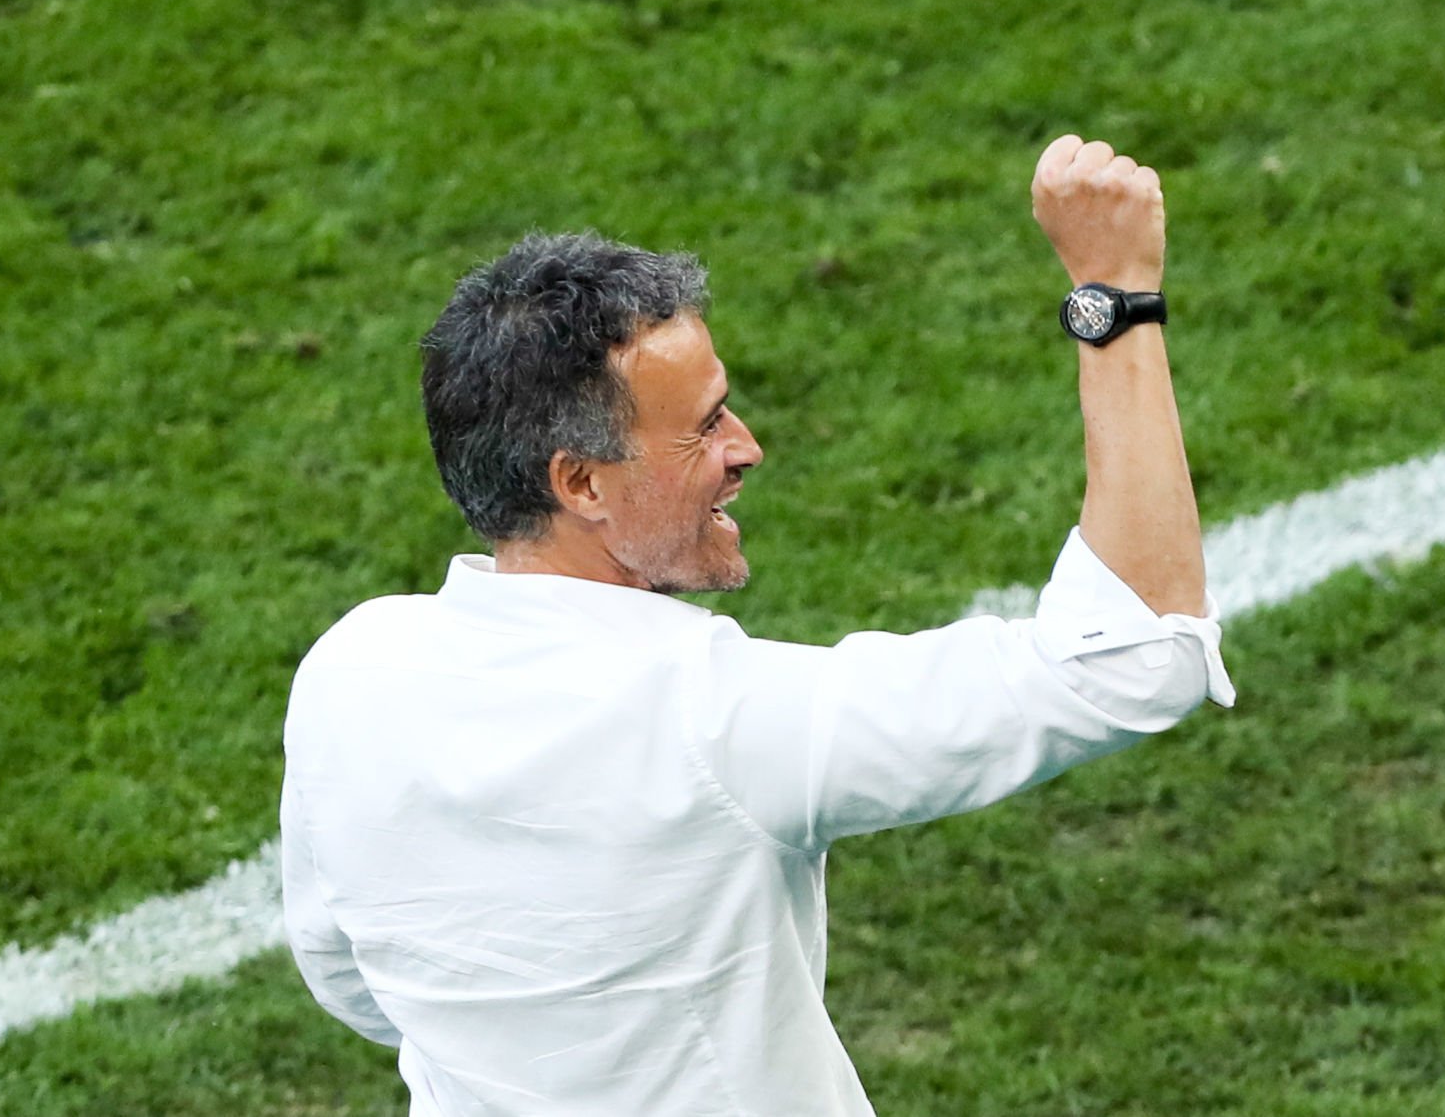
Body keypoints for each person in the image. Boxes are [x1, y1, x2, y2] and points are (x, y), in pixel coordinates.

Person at [280, 135, 1234, 1116]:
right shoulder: (712, 717)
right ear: (582, 483)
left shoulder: (348, 673)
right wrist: (1114, 296)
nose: (747, 448)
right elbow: (1136, 656)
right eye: (704, 425)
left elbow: (352, 973)